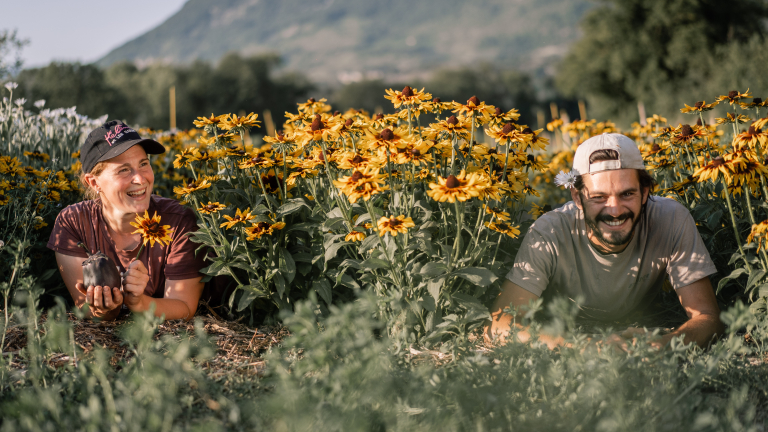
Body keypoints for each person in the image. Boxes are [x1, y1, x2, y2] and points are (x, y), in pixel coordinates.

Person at [485, 133, 724, 349]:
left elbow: (707, 316)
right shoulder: (549, 233)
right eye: (598, 197)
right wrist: (587, 346)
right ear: (577, 197)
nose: (615, 210)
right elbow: (500, 326)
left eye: (627, 194)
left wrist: (665, 344)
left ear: (645, 192)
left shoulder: (671, 219)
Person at [48, 121, 207, 321]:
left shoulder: (177, 222)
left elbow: (184, 306)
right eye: (124, 170)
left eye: (143, 163)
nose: (140, 179)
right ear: (94, 182)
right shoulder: (73, 223)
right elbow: (88, 309)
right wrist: (107, 308)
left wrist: (139, 303)